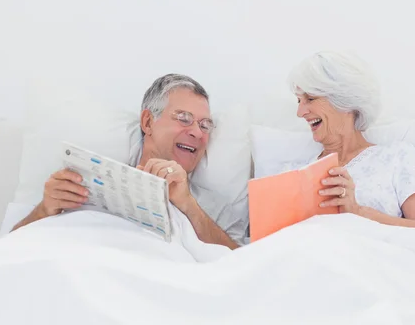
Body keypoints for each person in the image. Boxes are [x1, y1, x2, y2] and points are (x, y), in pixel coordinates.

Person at [12, 74, 242, 249]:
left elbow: (244, 272)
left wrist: (188, 206)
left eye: (204, 125)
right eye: (183, 118)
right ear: (148, 122)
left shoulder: (217, 209)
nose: (198, 133)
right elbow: (10, 249)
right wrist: (44, 210)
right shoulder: (87, 183)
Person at [288, 51, 415, 233]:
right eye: (299, 101)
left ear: (344, 100)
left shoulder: (396, 157)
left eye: (310, 99)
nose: (300, 112)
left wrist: (358, 212)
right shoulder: (293, 174)